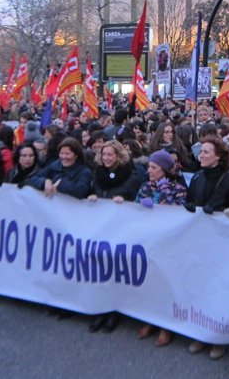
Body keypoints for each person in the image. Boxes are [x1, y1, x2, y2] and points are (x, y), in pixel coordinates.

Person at [187, 136, 229, 361]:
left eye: (205, 152)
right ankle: (201, 332)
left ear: (219, 156)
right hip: (201, 242)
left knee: (219, 291)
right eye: (200, 151)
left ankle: (219, 338)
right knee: (200, 288)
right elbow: (190, 200)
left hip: (224, 244)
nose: (201, 155)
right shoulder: (196, 178)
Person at [86, 140, 142, 334]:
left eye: (110, 155)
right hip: (101, 229)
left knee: (115, 271)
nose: (106, 158)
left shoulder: (131, 177)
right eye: (104, 155)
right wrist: (92, 197)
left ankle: (114, 311)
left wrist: (125, 201)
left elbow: (138, 201)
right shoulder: (98, 173)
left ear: (119, 156)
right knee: (99, 270)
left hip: (121, 230)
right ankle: (101, 309)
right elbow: (93, 191)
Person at [134, 150, 188, 347]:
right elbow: (134, 208)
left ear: (164, 170)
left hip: (169, 242)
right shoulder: (146, 186)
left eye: (153, 168)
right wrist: (141, 204)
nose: (149, 171)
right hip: (149, 240)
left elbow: (180, 213)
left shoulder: (178, 188)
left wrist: (164, 193)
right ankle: (150, 319)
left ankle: (167, 326)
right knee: (150, 281)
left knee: (166, 282)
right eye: (149, 167)